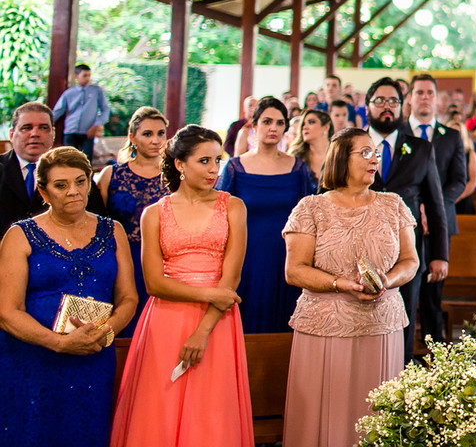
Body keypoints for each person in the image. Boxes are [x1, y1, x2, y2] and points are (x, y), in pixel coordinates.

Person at [110, 125, 253, 446]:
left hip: (217, 322)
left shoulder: (233, 207)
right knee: (160, 406)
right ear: (179, 164)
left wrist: (203, 331)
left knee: (211, 411)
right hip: (166, 320)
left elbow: (231, 279)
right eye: (204, 161)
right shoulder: (153, 214)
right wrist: (210, 293)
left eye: (218, 160)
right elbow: (154, 283)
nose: (214, 169)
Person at [282, 128, 420, 447]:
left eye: (376, 153)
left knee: (375, 415)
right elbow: (295, 270)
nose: (374, 159)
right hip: (323, 327)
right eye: (366, 153)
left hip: (381, 325)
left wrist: (387, 281)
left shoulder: (393, 204)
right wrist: (340, 284)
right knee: (324, 412)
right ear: (342, 157)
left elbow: (410, 261)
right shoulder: (311, 208)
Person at [0, 146, 137, 447]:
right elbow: (8, 311)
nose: (73, 191)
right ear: (43, 192)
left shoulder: (113, 231)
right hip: (33, 358)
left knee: (87, 431)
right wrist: (60, 343)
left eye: (80, 182)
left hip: (93, 356)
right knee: (31, 432)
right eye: (61, 185)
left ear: (90, 183)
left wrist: (104, 333)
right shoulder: (20, 235)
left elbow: (128, 298)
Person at [216, 96, 316, 332]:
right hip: (246, 260)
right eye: (267, 121)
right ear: (254, 124)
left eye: (280, 123)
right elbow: (219, 218)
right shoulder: (235, 168)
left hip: (287, 260)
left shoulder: (298, 168)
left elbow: (307, 220)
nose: (273, 128)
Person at [365, 77, 448, 363]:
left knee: (404, 324)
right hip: (359, 250)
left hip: (407, 253)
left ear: (403, 105)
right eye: (380, 101)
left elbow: (436, 206)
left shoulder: (421, 149)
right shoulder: (349, 145)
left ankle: (398, 388)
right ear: (368, 106)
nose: (387, 107)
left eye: (393, 101)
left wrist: (439, 255)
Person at [405, 74, 468, 345]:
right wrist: (415, 207)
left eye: (430, 92)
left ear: (436, 99)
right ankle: (400, 358)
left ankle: (435, 365)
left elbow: (459, 180)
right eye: (419, 92)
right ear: (410, 97)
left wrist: (434, 208)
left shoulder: (451, 136)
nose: (424, 97)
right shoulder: (398, 134)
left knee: (432, 297)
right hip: (404, 223)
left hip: (439, 225)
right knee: (402, 297)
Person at [97, 106, 168, 336]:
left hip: (162, 265)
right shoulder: (112, 175)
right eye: (147, 134)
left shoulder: (176, 178)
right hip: (119, 261)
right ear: (132, 137)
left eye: (161, 133)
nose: (156, 140)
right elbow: (98, 224)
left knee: (156, 329)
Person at [2, 102, 106, 234]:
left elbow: (97, 221)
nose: (35, 134)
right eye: (26, 128)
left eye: (43, 128)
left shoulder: (77, 172)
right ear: (11, 134)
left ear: (53, 133)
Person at [50, 64, 111, 162]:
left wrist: (96, 125)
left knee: (86, 162)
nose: (87, 78)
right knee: (69, 160)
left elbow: (105, 110)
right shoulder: (69, 93)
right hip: (70, 131)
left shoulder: (97, 91)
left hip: (88, 132)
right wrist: (47, 123)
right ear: (76, 76)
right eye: (84, 75)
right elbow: (58, 111)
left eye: (89, 75)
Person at [289, 108, 334, 180]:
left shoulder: (339, 155)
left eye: (311, 122)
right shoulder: (296, 158)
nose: (305, 127)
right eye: (303, 124)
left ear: (326, 127)